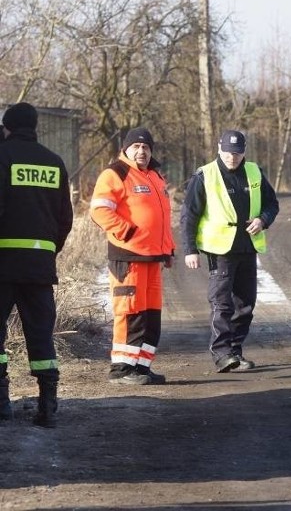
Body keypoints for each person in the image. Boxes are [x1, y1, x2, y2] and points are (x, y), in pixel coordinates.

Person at [181, 130, 279, 373]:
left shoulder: (255, 171)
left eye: (236, 153)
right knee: (222, 302)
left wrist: (263, 220)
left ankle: (235, 351)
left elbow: (272, 203)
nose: (232, 158)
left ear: (244, 151)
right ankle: (222, 353)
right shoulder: (205, 174)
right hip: (220, 248)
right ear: (218, 148)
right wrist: (190, 249)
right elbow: (189, 215)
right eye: (227, 153)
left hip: (248, 245)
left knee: (246, 303)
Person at [0, 103, 73, 427]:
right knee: (41, 336)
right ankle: (48, 405)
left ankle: (2, 404)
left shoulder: (2, 157)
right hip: (40, 268)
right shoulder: (54, 163)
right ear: (35, 125)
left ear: (7, 127)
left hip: (3, 267)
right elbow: (64, 219)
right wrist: (47, 251)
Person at [90, 127, 175, 386]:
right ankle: (122, 370)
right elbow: (99, 211)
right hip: (128, 258)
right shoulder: (115, 174)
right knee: (130, 313)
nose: (141, 151)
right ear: (125, 149)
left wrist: (168, 249)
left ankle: (141, 367)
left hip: (153, 258)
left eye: (146, 148)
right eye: (136, 147)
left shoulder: (155, 176)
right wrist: (126, 232)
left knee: (151, 315)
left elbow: (163, 218)